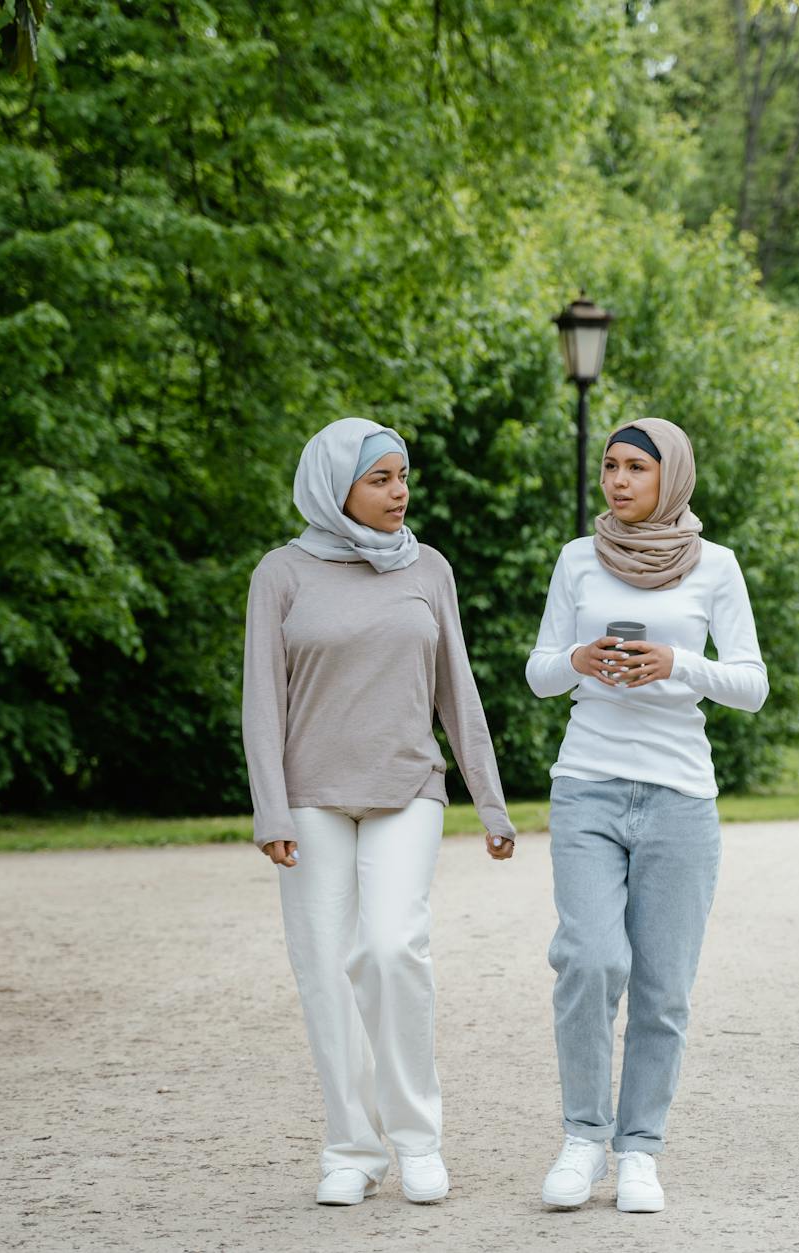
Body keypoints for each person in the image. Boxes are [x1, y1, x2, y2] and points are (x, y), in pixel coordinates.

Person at [241, 417, 518, 1207]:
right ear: (337, 489)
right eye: (381, 479)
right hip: (309, 796)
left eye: (403, 476)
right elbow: (263, 700)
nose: (400, 492)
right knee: (324, 969)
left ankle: (417, 1139)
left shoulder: (428, 568)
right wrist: (272, 811)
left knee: (394, 949)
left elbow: (456, 689)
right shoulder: (281, 574)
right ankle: (351, 1149)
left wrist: (489, 800)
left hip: (407, 789)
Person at [525, 417, 768, 1214]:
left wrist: (676, 664)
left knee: (664, 990)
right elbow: (538, 673)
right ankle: (582, 1138)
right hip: (587, 784)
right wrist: (578, 661)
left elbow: (751, 683)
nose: (618, 479)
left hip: (679, 796)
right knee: (591, 961)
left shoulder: (716, 566)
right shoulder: (575, 559)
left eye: (636, 466)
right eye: (610, 465)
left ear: (674, 477)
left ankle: (639, 1151)